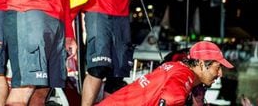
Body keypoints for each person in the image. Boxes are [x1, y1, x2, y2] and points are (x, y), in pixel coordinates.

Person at [97, 41, 234, 105]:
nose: (221, 74)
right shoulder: (184, 74)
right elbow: (171, 98)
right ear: (202, 64)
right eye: (218, 67)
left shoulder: (174, 66)